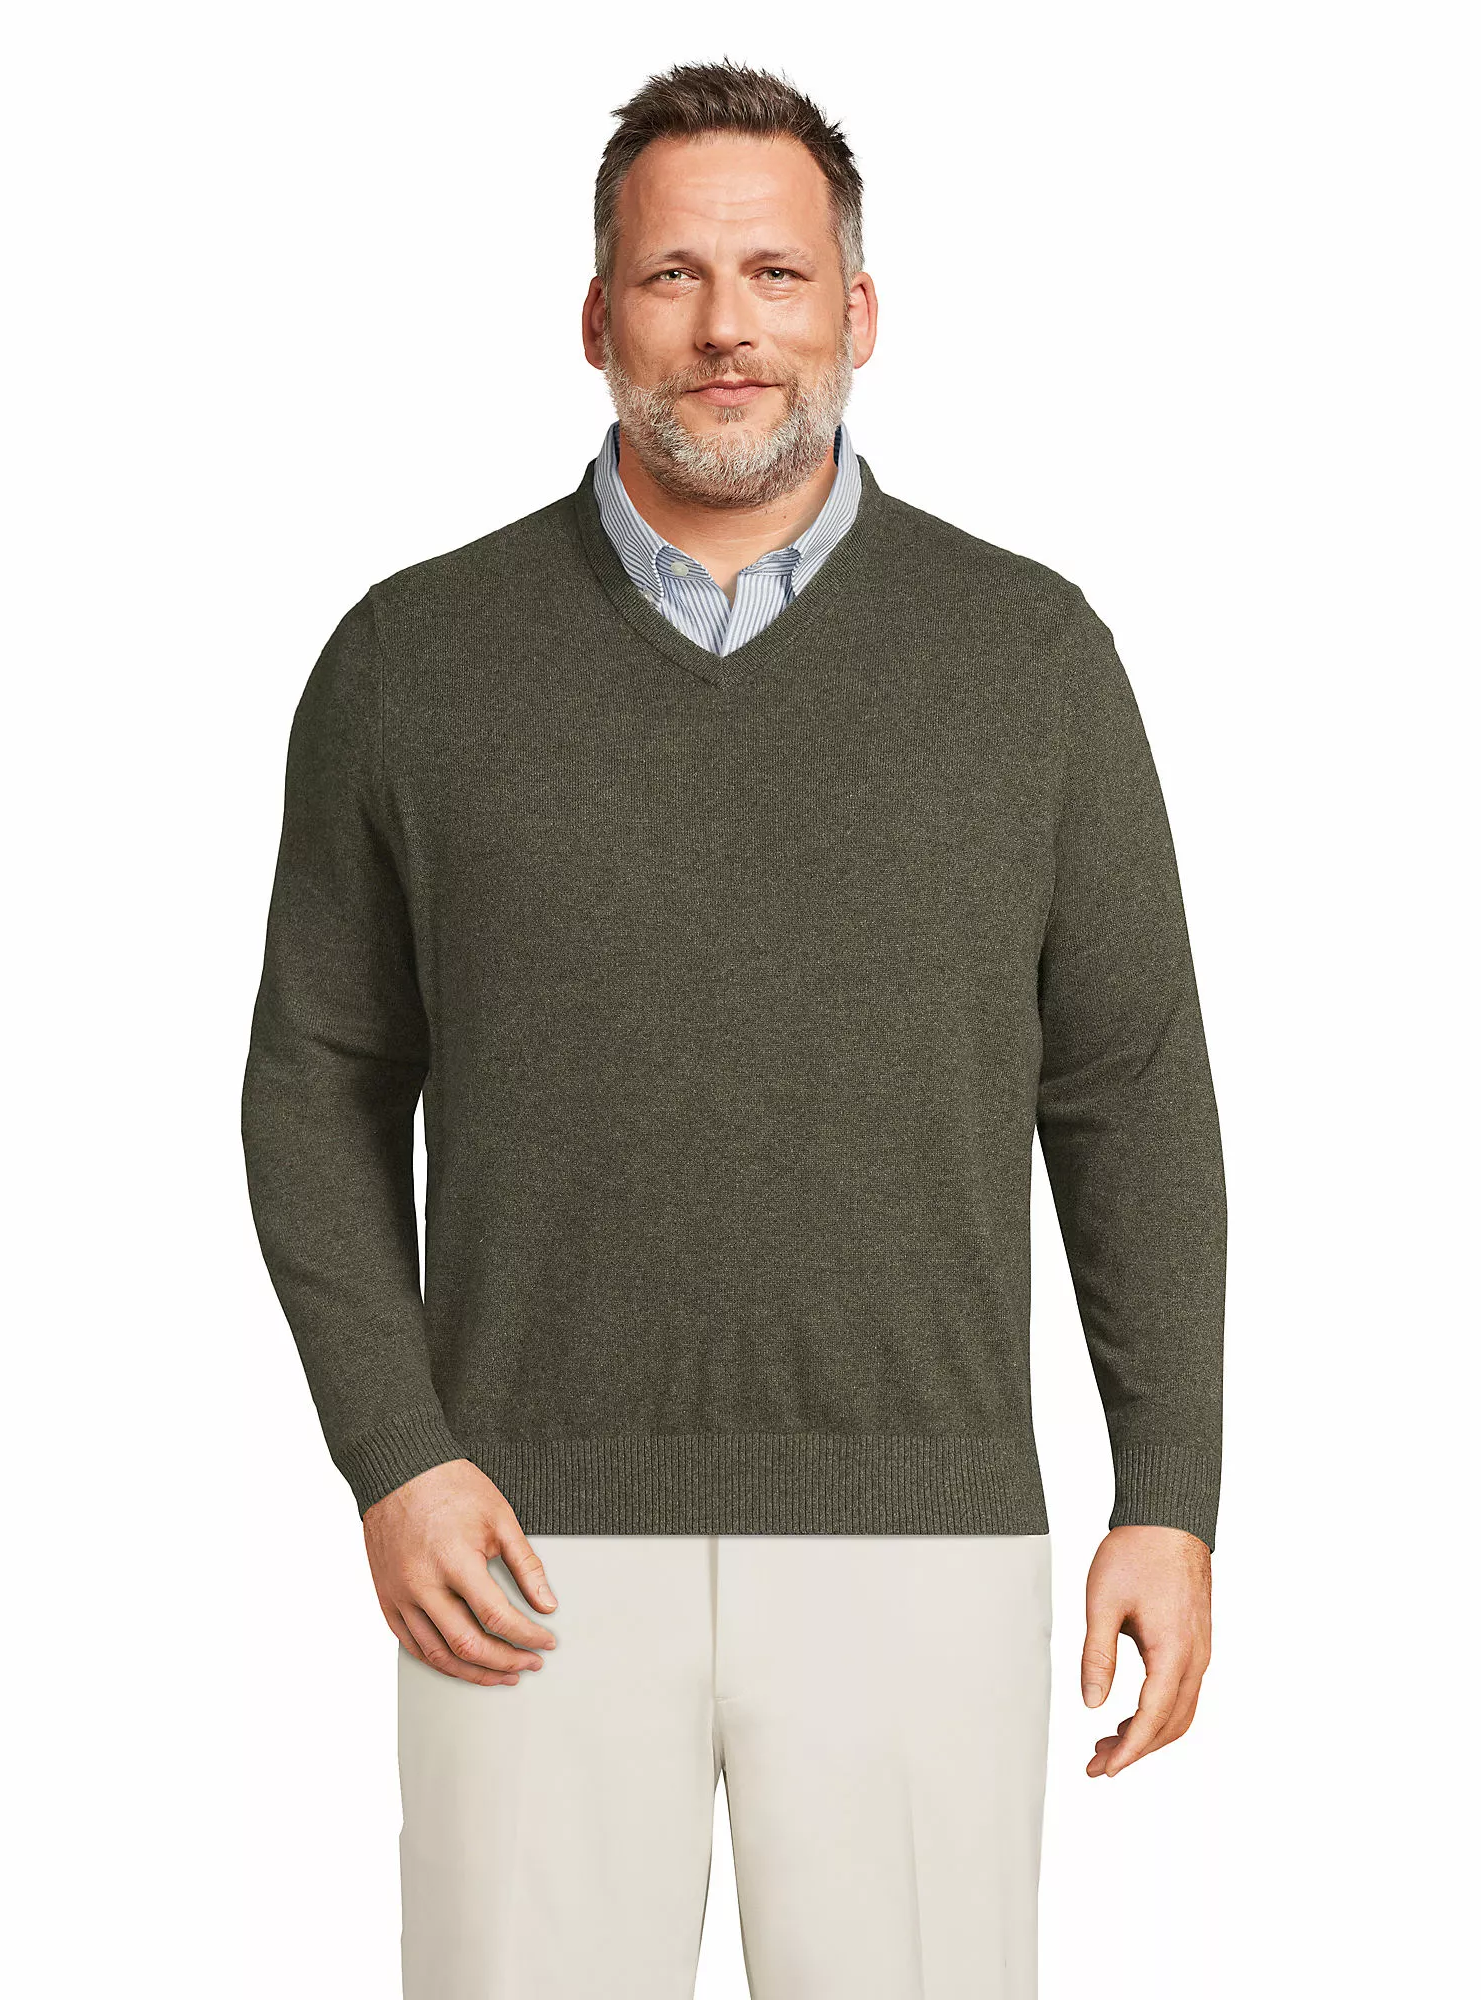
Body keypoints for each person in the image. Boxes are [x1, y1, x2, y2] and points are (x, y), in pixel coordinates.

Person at [241, 58, 1225, 2000]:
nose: (724, 328)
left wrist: (1170, 1488)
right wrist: (393, 1454)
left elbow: (1130, 1091)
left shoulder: (1029, 661)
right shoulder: (410, 663)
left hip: (921, 1540)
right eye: (672, 276)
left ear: (858, 312)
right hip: (517, 1544)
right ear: (593, 316)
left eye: (774, 275)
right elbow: (315, 1084)